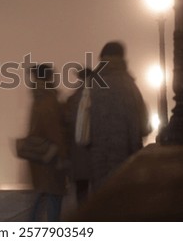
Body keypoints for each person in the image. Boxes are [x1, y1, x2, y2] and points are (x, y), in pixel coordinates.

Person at [87, 41, 151, 191]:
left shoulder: (92, 83)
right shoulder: (129, 85)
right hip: (126, 153)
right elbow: (144, 124)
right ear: (122, 58)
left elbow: (82, 119)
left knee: (101, 199)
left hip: (98, 154)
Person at [25, 64, 69, 221]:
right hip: (51, 156)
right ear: (49, 77)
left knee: (41, 195)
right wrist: (63, 155)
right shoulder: (49, 100)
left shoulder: (38, 97)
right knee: (53, 197)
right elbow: (54, 132)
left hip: (39, 155)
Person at [65, 68, 93, 205]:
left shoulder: (72, 100)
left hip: (78, 156)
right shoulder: (99, 98)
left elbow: (67, 128)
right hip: (95, 155)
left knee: (81, 194)